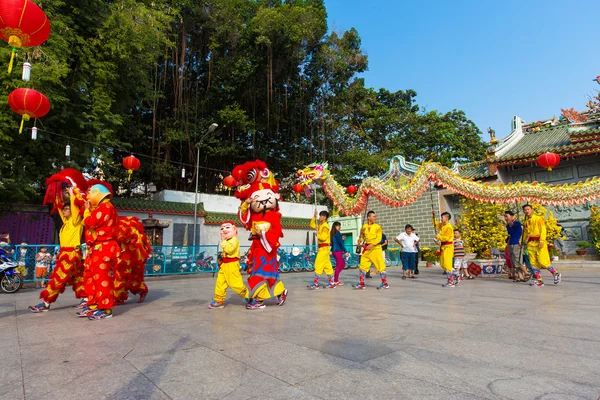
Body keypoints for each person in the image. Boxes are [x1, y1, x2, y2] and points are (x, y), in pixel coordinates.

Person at [29, 188, 87, 313]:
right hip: (68, 253)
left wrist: (72, 194)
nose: (64, 210)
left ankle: (46, 302)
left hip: (71, 253)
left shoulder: (76, 221)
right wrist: (56, 194)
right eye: (65, 209)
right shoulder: (66, 223)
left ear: (73, 211)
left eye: (67, 209)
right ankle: (86, 299)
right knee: (78, 278)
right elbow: (59, 208)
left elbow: (74, 206)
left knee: (58, 278)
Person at [78, 184, 120, 319]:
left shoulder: (106, 207)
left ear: (98, 193)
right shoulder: (101, 208)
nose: (88, 197)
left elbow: (89, 222)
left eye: (90, 193)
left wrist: (86, 210)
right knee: (90, 277)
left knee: (102, 278)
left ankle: (106, 309)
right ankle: (94, 304)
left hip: (104, 247)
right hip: (96, 248)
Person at [208, 221, 249, 309]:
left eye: (227, 227)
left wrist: (223, 241)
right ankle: (219, 300)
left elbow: (230, 250)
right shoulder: (227, 240)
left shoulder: (234, 240)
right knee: (220, 282)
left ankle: (248, 296)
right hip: (224, 265)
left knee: (235, 283)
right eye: (222, 228)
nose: (224, 230)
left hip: (232, 264)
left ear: (234, 229)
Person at [522, 204, 561, 287]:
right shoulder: (526, 222)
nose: (526, 211)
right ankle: (539, 280)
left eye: (528, 209)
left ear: (532, 210)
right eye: (525, 210)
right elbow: (525, 233)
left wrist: (542, 240)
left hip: (539, 242)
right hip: (531, 244)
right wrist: (522, 242)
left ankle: (556, 273)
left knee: (543, 261)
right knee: (533, 263)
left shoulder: (539, 219)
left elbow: (543, 229)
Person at [353, 211, 389, 290]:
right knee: (362, 266)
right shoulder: (364, 227)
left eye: (375, 217)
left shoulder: (378, 227)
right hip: (366, 249)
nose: (374, 218)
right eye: (373, 216)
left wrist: (372, 244)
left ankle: (384, 283)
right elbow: (362, 238)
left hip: (375, 248)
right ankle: (362, 283)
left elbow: (379, 238)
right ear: (368, 217)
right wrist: (360, 238)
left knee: (380, 265)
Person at [308, 210, 335, 289]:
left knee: (318, 264)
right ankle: (332, 283)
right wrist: (314, 216)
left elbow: (323, 237)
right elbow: (312, 225)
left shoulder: (325, 227)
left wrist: (317, 234)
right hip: (323, 248)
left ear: (324, 217)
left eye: (320, 216)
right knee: (327, 266)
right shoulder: (321, 226)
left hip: (324, 248)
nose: (319, 217)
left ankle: (315, 283)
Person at [433, 211, 456, 287]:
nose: (441, 219)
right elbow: (435, 224)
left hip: (448, 247)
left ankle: (451, 282)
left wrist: (438, 237)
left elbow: (447, 238)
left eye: (442, 217)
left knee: (447, 264)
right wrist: (434, 216)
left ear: (446, 218)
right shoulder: (443, 225)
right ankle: (457, 273)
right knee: (442, 264)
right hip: (443, 247)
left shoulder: (449, 227)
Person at [504, 211, 525, 281]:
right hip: (511, 244)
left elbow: (513, 225)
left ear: (512, 216)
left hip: (516, 243)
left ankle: (526, 272)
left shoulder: (517, 223)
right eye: (505, 216)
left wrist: (510, 220)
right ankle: (520, 276)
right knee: (513, 261)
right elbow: (510, 234)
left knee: (517, 260)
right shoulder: (507, 226)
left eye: (507, 216)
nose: (505, 218)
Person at [331, 221, 349, 286]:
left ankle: (335, 274)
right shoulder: (337, 233)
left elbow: (339, 242)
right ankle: (335, 280)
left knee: (343, 264)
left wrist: (342, 239)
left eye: (339, 226)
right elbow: (341, 244)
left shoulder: (333, 233)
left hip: (335, 251)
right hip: (337, 251)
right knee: (339, 265)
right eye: (338, 226)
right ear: (335, 226)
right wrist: (346, 251)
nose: (339, 227)